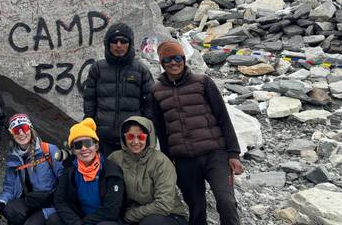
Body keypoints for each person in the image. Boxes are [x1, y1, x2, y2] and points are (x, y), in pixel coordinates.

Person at [151, 40, 243, 225]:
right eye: (167, 60)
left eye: (177, 58)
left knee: (226, 202)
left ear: (184, 59)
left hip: (215, 154)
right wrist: (168, 160)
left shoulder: (203, 82)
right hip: (184, 160)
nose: (173, 63)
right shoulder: (156, 91)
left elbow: (223, 117)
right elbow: (161, 130)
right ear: (162, 63)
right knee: (196, 208)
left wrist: (233, 153)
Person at [82, 22, 154, 156]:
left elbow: (150, 105)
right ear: (108, 44)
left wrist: (146, 133)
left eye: (124, 41)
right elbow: (89, 103)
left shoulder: (141, 70)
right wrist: (89, 130)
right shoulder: (97, 69)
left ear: (130, 44)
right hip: (103, 139)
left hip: (132, 140)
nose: (119, 45)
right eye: (114, 41)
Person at [108, 116, 188, 225]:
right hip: (132, 216)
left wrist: (130, 215)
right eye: (130, 136)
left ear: (149, 137)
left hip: (168, 216)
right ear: (124, 137)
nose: (135, 141)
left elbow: (164, 205)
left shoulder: (161, 162)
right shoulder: (115, 158)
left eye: (141, 137)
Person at [0, 113, 65, 225]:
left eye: (24, 128)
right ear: (12, 134)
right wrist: (1, 203)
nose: (21, 133)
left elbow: (63, 180)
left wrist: (57, 199)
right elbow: (9, 187)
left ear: (30, 129)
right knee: (10, 209)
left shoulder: (48, 150)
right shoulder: (13, 157)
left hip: (50, 202)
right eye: (16, 130)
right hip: (29, 202)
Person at [53, 118, 124, 225]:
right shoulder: (70, 169)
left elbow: (111, 210)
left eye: (88, 143)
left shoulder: (111, 170)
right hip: (79, 217)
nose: (84, 148)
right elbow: (59, 200)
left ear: (96, 146)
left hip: (103, 220)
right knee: (54, 219)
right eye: (78, 145)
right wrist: (76, 222)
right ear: (73, 150)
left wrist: (84, 223)